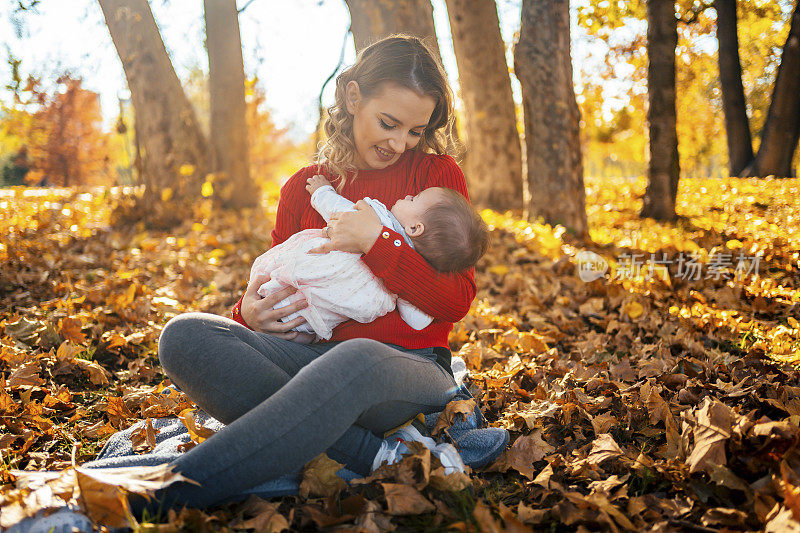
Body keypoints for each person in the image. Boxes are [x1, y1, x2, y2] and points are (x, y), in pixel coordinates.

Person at [128, 34, 498, 516]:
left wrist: (376, 243)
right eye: (389, 123)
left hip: (406, 369)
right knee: (184, 336)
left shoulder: (435, 175)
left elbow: (456, 300)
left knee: (355, 359)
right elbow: (281, 272)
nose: (399, 143)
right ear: (352, 97)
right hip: (311, 359)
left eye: (414, 130)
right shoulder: (304, 188)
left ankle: (162, 499)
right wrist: (250, 312)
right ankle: (363, 452)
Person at [250, 174, 489, 342]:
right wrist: (246, 312)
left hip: (317, 291)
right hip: (316, 314)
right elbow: (417, 319)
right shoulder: (416, 266)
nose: (407, 195)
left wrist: (322, 191)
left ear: (416, 228)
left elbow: (338, 209)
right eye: (387, 123)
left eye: (413, 199)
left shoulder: (380, 219)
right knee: (216, 333)